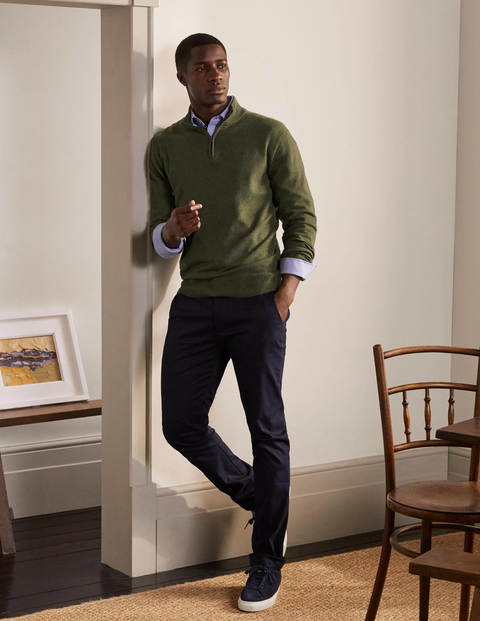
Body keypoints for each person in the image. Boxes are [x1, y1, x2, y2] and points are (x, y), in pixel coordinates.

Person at [148, 32, 317, 613]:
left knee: (266, 427)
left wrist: (286, 291)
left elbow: (301, 215)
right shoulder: (165, 146)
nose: (216, 75)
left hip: (258, 303)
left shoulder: (269, 134)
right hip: (196, 303)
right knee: (180, 423)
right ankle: (263, 502)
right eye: (203, 68)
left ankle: (267, 560)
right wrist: (173, 230)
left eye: (221, 65)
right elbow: (159, 236)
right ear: (183, 76)